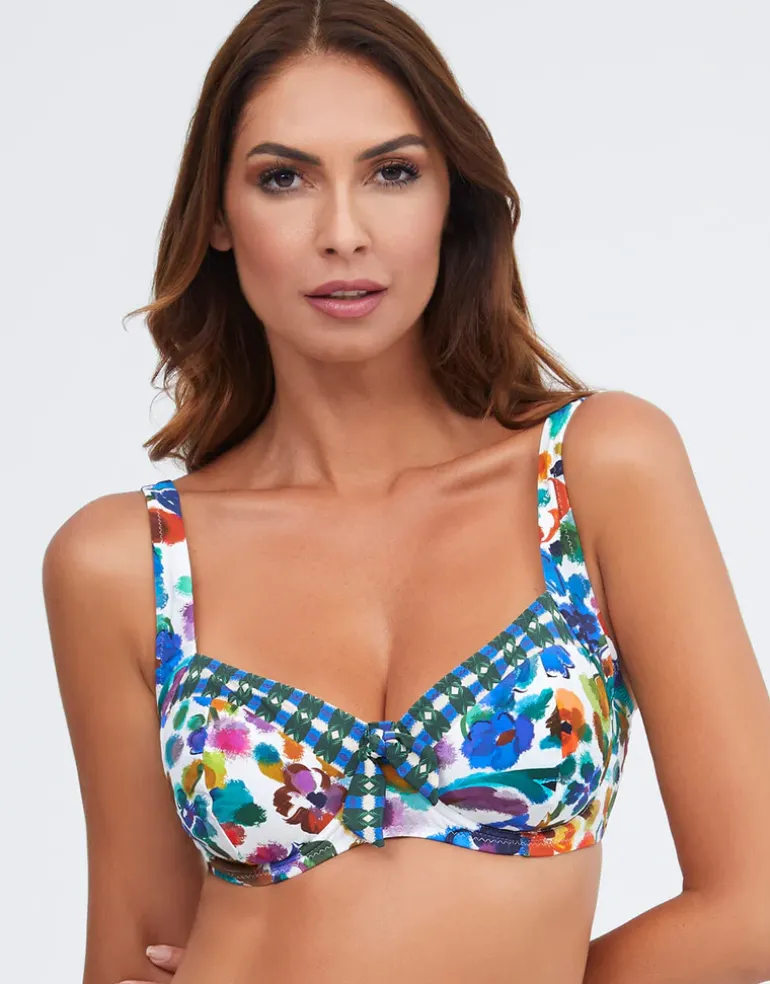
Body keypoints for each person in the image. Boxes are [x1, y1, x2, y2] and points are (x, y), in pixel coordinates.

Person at [43, 1, 770, 983]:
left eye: (391, 172)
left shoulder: (597, 470)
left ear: (449, 200)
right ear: (215, 215)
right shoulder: (126, 563)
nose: (342, 232)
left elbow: (753, 904)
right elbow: (130, 958)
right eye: (283, 178)